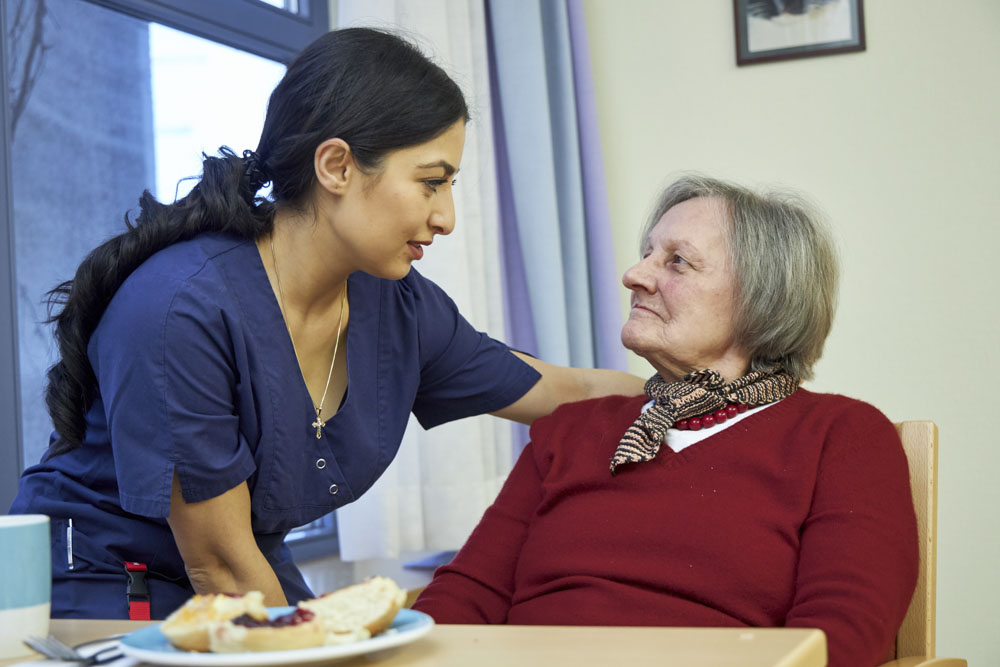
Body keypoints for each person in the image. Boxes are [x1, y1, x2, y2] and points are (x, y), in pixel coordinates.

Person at [8, 27, 643, 620]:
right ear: (336, 166)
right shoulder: (181, 309)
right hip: (107, 578)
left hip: (245, 566)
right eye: (431, 183)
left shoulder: (398, 309)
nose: (446, 217)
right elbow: (220, 567)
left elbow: (568, 394)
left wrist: (719, 389)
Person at [413, 174, 919, 667]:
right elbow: (470, 593)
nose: (635, 275)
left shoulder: (842, 435)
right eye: (648, 253)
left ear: (762, 298)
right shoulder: (571, 429)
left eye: (677, 262)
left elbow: (840, 637)